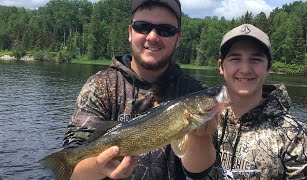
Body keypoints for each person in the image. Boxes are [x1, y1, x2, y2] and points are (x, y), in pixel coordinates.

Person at [63, 0, 218, 179]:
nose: (152, 37)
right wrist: (98, 167)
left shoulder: (193, 90)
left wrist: (201, 138)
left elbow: (198, 172)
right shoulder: (100, 86)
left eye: (166, 30)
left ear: (178, 39)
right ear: (130, 32)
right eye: (143, 27)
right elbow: (71, 168)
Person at [217, 23, 307, 179]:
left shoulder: (293, 134)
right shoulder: (205, 117)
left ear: (269, 67)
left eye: (255, 59)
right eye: (235, 58)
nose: (245, 69)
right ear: (221, 66)